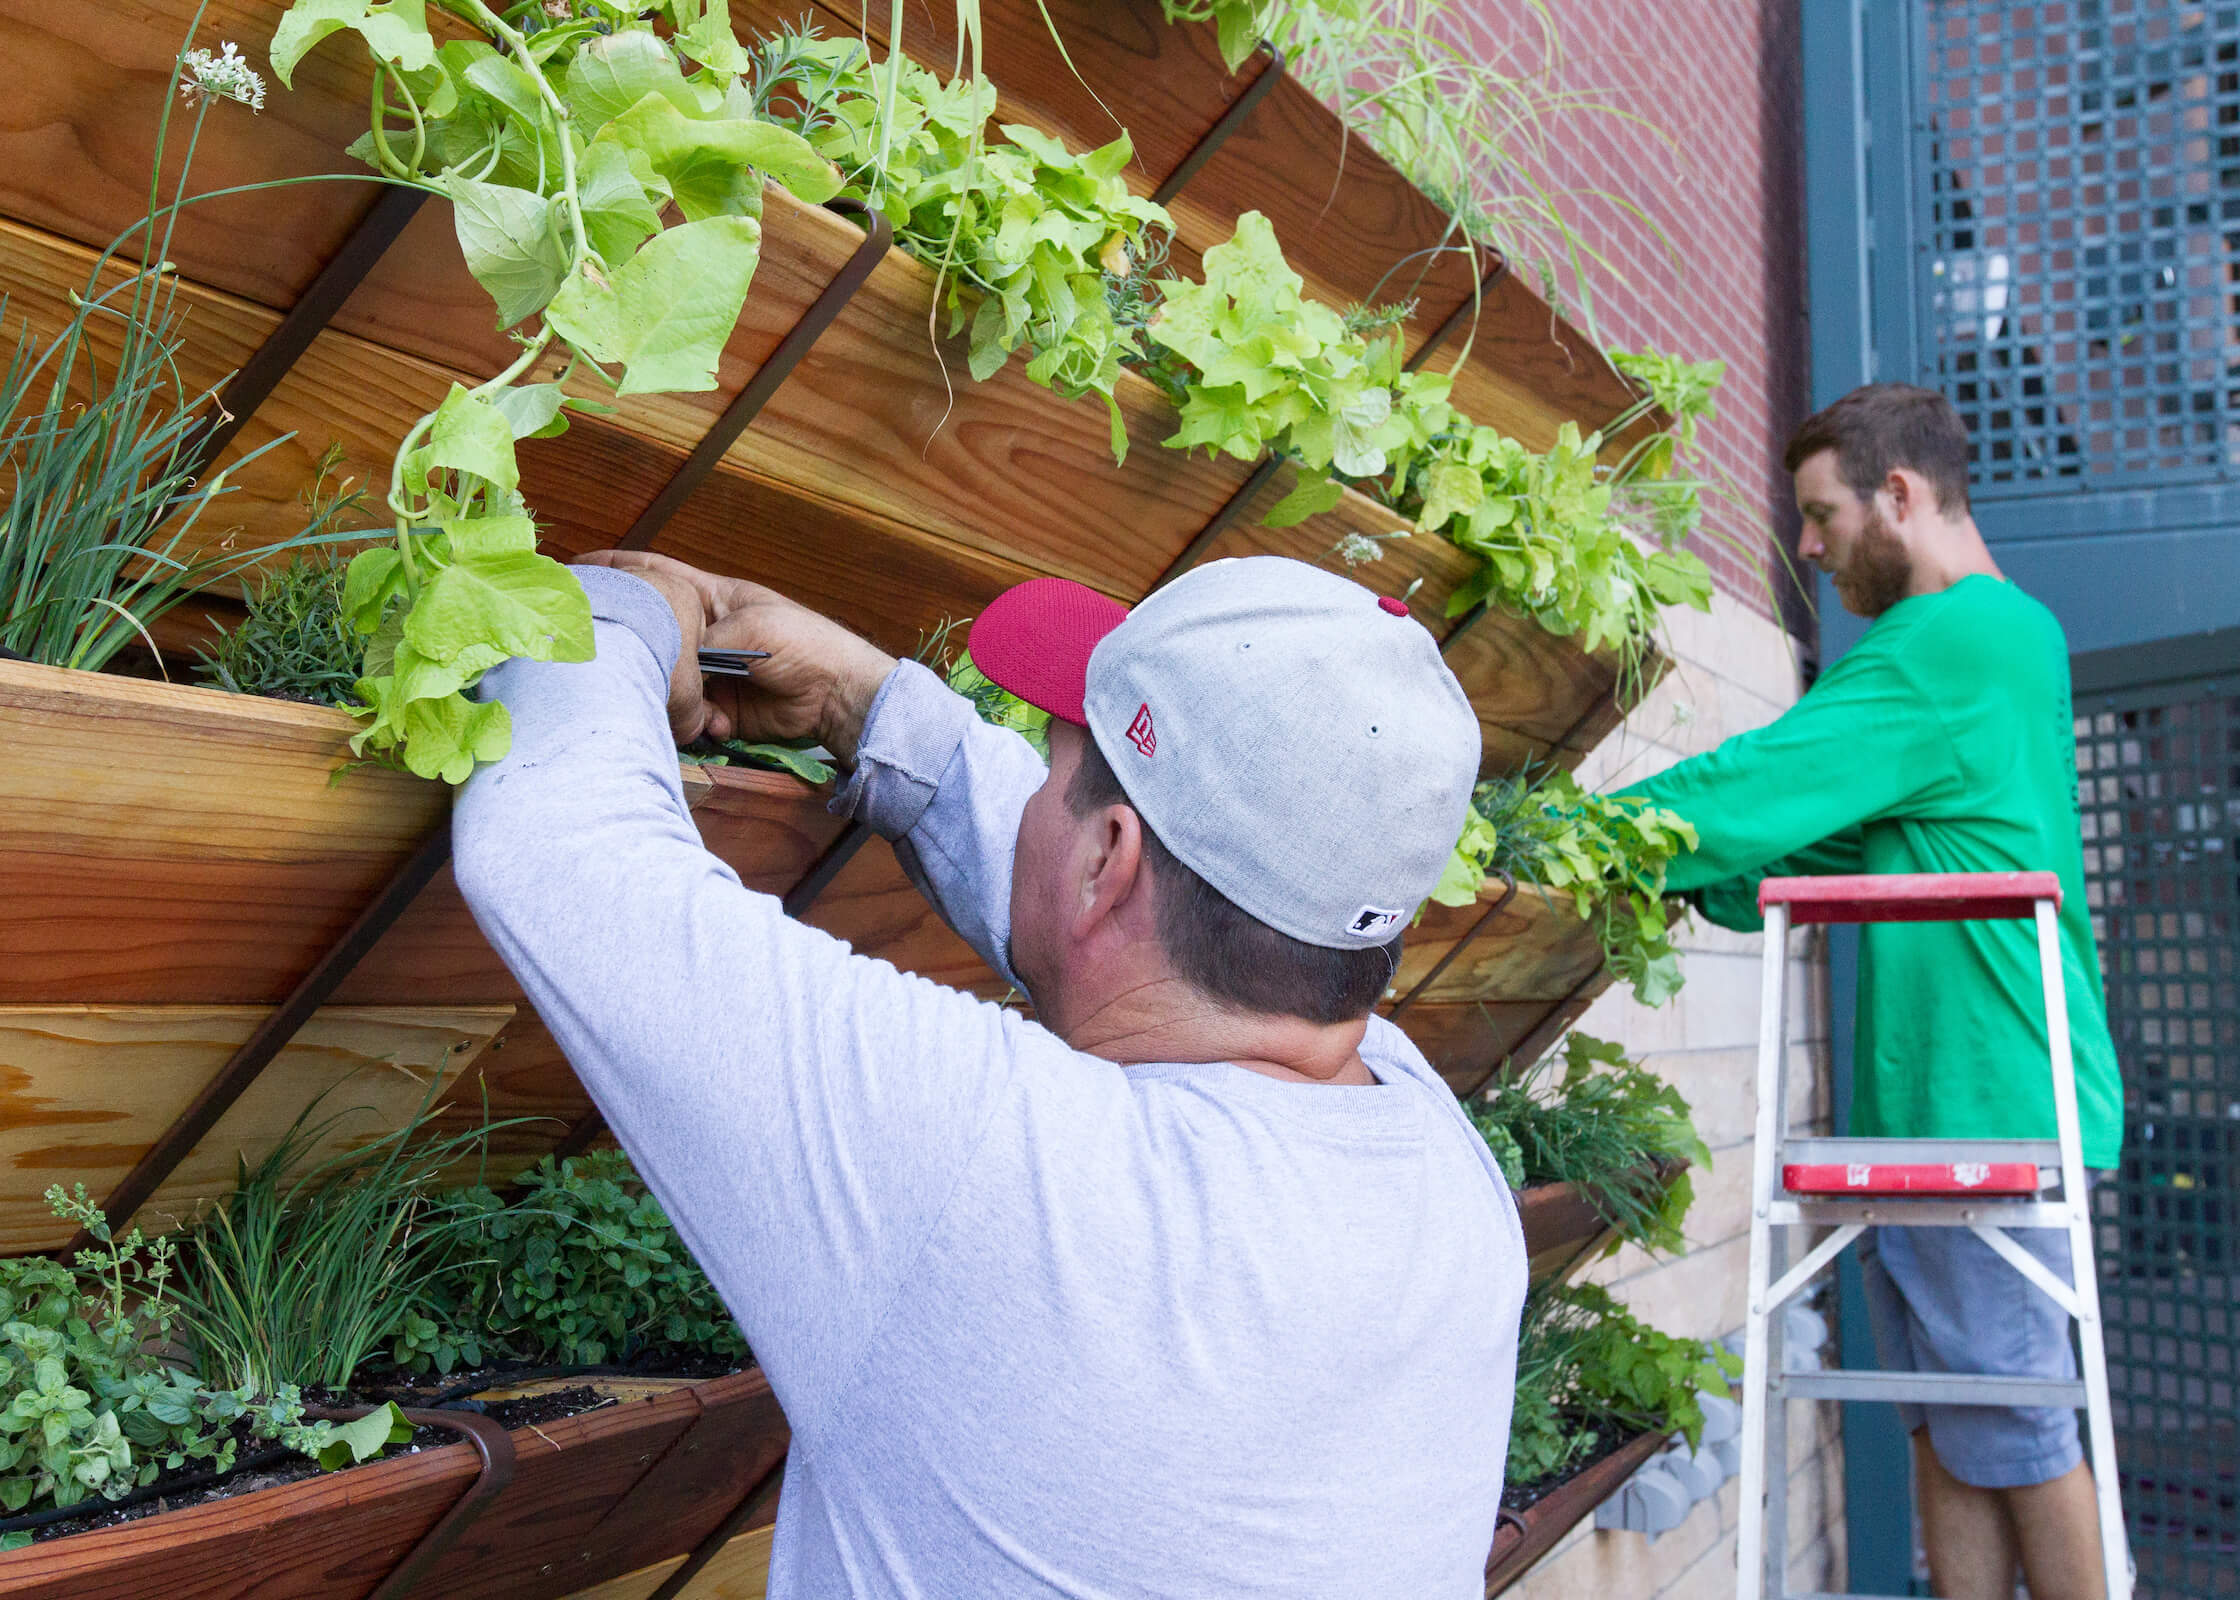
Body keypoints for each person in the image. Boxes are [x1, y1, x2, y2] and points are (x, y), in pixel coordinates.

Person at [451, 551, 1527, 1597]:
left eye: (1055, 752)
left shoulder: (1012, 1180)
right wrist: (858, 704)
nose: (1037, 779)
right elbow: (1122, 934)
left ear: (1108, 856)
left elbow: (556, 848)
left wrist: (615, 605)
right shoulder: (1433, 1152)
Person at [1621, 384, 2123, 1600]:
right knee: (1953, 1424)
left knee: (2022, 1422)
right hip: (1946, 1097)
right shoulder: (2008, 643)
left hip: (1982, 1094)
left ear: (1898, 496)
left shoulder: (1953, 639)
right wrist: (1725, 876)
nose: (1806, 546)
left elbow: (1767, 776)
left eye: (1818, 512)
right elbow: (1849, 841)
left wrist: (1583, 837)